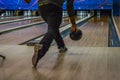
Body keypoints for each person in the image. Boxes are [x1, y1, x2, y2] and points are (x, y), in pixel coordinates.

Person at [32, 0, 78, 68]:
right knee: (52, 29)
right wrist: (73, 24)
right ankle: (40, 50)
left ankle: (61, 46)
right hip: (54, 7)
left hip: (41, 7)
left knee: (53, 27)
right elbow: (69, 6)